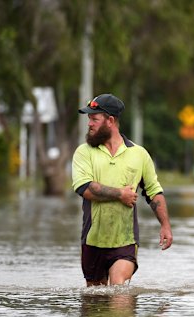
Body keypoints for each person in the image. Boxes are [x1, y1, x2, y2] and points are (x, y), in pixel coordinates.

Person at [72, 93, 173, 287]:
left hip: (125, 240)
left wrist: (165, 225)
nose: (89, 124)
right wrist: (121, 194)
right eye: (89, 119)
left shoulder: (139, 154)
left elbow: (153, 192)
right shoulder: (83, 152)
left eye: (94, 119)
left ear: (110, 121)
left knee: (117, 287)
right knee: (95, 303)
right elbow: (85, 188)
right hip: (92, 240)